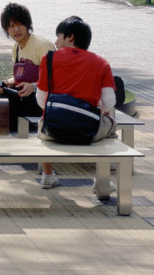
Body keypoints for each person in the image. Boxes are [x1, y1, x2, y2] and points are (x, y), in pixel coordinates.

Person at [36, 16, 117, 189]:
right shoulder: (101, 63)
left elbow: (41, 99)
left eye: (59, 36)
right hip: (88, 131)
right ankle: (101, 179)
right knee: (111, 124)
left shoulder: (48, 59)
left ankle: (48, 175)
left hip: (52, 131)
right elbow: (109, 102)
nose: (56, 41)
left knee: (43, 120)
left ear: (70, 37)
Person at [0, 3, 53, 131]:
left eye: (19, 25)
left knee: (3, 101)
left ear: (27, 25)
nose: (16, 30)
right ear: (6, 29)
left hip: (39, 99)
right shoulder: (16, 48)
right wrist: (7, 83)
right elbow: (20, 76)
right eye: (11, 26)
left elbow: (55, 78)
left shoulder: (42, 45)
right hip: (22, 94)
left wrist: (33, 86)